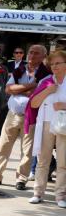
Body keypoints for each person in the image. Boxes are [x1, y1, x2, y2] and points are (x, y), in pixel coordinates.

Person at [0, 45, 49, 189]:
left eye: (36, 53)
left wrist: (20, 89)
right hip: (13, 114)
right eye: (30, 52)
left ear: (43, 56)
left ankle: (21, 179)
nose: (32, 55)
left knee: (27, 150)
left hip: (31, 117)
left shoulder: (46, 74)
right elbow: (8, 89)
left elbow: (37, 94)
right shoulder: (20, 70)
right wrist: (30, 85)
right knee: (3, 146)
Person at [27, 50, 66, 207]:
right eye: (52, 64)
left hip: (64, 124)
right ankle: (38, 192)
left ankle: (60, 196)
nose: (54, 66)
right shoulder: (46, 81)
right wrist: (48, 91)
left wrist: (64, 106)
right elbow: (34, 103)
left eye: (58, 63)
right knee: (43, 160)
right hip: (46, 123)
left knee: (63, 162)